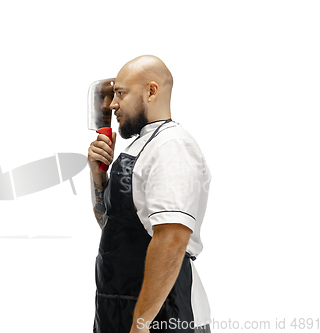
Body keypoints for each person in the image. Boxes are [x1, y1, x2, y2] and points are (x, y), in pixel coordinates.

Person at [88, 55, 212, 333]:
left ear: (151, 91)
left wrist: (141, 324)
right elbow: (114, 228)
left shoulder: (172, 147)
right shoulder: (143, 145)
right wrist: (99, 176)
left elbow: (172, 239)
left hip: (166, 315)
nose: (112, 104)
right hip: (121, 310)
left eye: (121, 93)